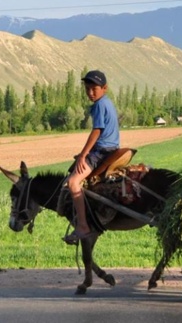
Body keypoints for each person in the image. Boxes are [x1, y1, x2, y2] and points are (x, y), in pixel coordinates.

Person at [58, 70, 120, 243]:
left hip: (102, 150)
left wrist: (83, 155)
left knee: (73, 182)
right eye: (87, 89)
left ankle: (83, 226)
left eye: (94, 89)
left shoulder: (100, 104)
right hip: (109, 147)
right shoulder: (107, 102)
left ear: (104, 88)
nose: (90, 93)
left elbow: (97, 131)